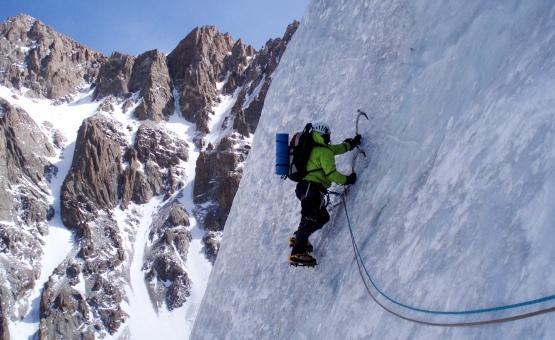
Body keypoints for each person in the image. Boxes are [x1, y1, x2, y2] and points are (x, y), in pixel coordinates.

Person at [289, 122, 361, 266]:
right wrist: (347, 179)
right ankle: (298, 252)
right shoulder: (323, 151)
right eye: (327, 135)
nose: (329, 138)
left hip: (307, 188)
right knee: (309, 217)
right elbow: (332, 174)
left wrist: (350, 144)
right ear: (322, 134)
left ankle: (299, 237)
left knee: (322, 217)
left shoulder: (318, 149)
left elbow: (337, 148)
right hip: (312, 188)